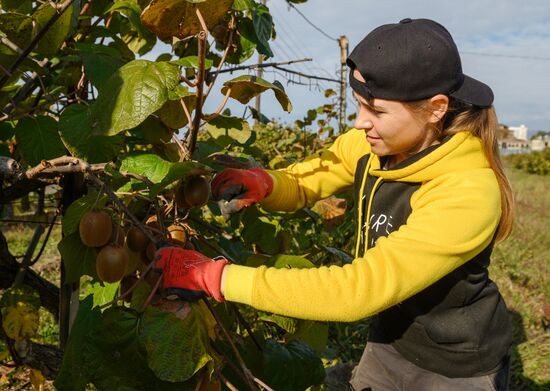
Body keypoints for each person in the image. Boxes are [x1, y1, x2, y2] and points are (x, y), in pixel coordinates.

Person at [154, 18, 514, 390]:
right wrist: (267, 183)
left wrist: (218, 278)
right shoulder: (373, 146)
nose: (360, 123)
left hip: (457, 365)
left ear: (437, 108)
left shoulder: (468, 191)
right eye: (359, 105)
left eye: (376, 110)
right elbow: (308, 179)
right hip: (391, 336)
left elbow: (358, 289)